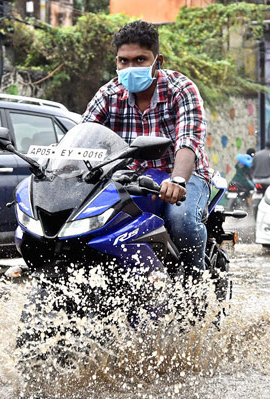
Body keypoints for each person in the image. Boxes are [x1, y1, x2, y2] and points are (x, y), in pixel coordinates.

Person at [82, 20, 211, 276]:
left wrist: (178, 181)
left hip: (183, 177)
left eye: (140, 60)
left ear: (157, 61)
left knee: (182, 221)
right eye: (123, 61)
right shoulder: (108, 94)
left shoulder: (181, 90)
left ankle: (197, 285)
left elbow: (188, 140)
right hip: (125, 182)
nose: (130, 68)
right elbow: (84, 136)